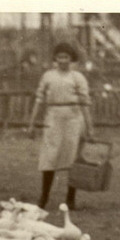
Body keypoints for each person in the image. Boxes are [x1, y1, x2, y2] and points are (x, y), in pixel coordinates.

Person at [27, 42, 96, 210]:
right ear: (55, 58)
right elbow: (39, 100)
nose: (63, 60)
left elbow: (85, 103)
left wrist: (90, 128)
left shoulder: (77, 78)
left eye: (66, 57)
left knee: (72, 159)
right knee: (49, 159)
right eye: (60, 57)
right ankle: (44, 198)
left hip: (73, 119)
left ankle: (70, 198)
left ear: (71, 59)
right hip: (53, 119)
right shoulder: (48, 76)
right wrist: (31, 123)